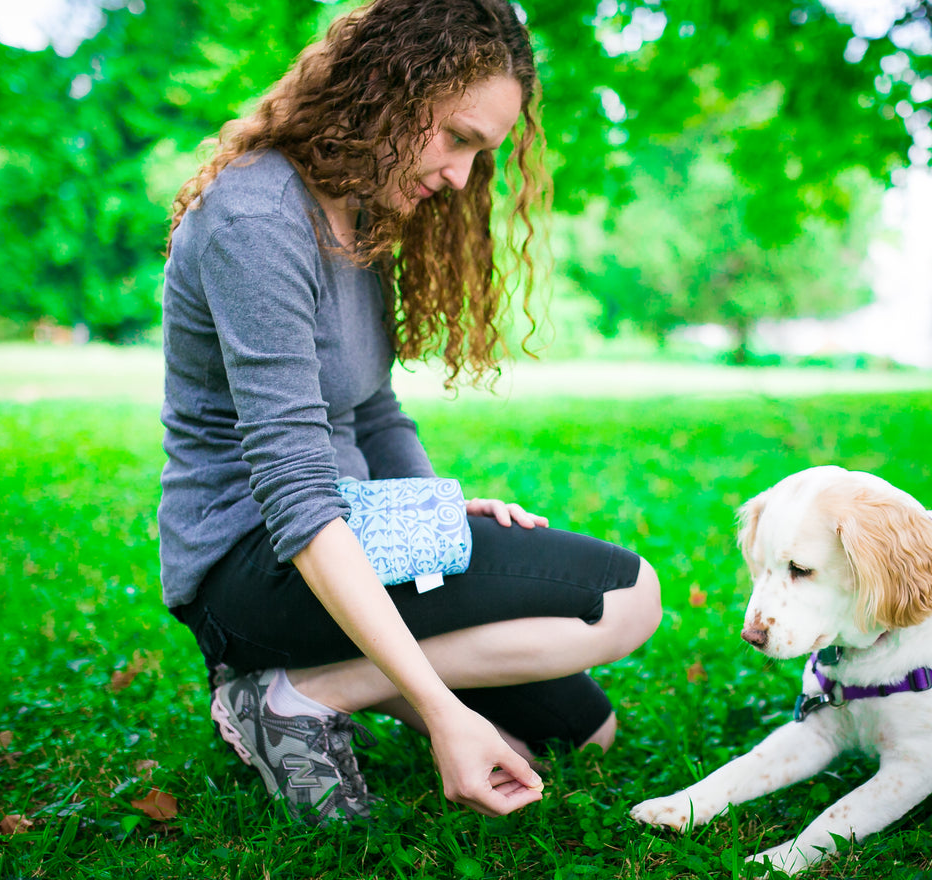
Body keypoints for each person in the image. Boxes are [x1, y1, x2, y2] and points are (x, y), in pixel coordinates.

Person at [158, 0, 662, 823]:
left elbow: (372, 411)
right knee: (627, 595)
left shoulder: (361, 211)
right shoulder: (256, 219)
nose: (463, 176)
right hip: (252, 566)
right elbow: (294, 492)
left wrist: (431, 511)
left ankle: (310, 687)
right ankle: (290, 697)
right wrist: (440, 710)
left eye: (482, 152)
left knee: (584, 735)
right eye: (458, 137)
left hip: (352, 530)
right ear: (387, 89)